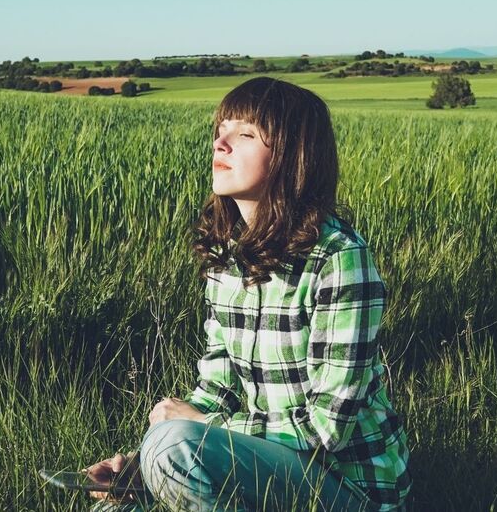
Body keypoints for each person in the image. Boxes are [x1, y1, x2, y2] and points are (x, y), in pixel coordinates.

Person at [85, 77, 410, 511]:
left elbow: (327, 429)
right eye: (220, 129)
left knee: (173, 447)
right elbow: (217, 390)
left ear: (292, 157)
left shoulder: (339, 259)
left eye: (245, 134)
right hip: (273, 469)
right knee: (114, 501)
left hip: (347, 488)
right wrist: (142, 467)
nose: (220, 143)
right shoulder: (227, 258)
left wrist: (196, 430)